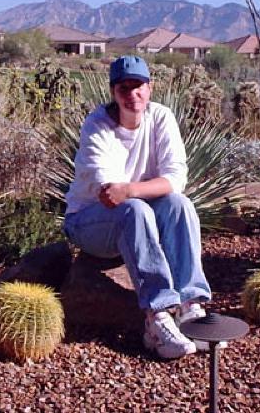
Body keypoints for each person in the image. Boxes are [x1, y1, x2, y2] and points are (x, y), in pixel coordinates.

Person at [63, 55, 212, 359]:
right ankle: (156, 317)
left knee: (179, 204)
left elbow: (175, 180)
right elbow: (109, 196)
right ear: (113, 92)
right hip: (89, 224)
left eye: (139, 86)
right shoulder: (97, 126)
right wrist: (134, 192)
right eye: (124, 88)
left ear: (150, 87)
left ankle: (189, 306)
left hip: (135, 215)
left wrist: (130, 189)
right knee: (136, 210)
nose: (133, 95)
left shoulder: (161, 117)